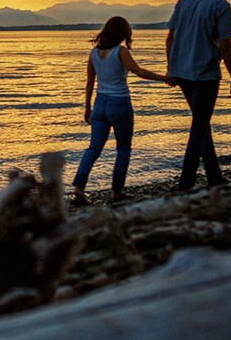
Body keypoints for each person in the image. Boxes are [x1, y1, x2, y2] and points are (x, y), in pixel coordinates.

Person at [71, 16, 173, 205]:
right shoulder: (120, 51)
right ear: (123, 33)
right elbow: (139, 71)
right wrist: (165, 78)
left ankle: (78, 189)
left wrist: (87, 107)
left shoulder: (94, 53)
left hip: (99, 104)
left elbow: (90, 82)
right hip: (119, 104)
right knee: (123, 148)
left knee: (93, 148)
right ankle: (117, 192)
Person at [165, 0, 231, 191]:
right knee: (199, 125)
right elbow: (226, 44)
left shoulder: (184, 0)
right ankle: (185, 183)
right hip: (205, 73)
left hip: (183, 71)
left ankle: (214, 175)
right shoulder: (220, 4)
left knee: (202, 122)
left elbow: (170, 37)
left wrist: (172, 68)